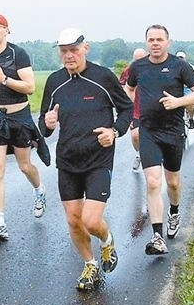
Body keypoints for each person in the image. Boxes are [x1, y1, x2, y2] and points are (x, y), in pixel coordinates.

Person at [38, 28, 133, 291]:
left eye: (73, 50)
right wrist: (47, 124)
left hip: (98, 158)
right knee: (73, 220)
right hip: (67, 159)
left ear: (85, 48)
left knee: (91, 221)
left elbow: (126, 109)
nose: (68, 55)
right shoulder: (54, 81)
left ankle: (106, 240)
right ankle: (90, 263)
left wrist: (114, 131)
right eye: (63, 51)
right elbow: (44, 124)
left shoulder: (103, 77)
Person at [124, 25, 194, 256]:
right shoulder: (137, 67)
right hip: (148, 130)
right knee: (152, 182)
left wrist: (178, 102)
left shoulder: (180, 66)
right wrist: (128, 111)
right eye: (151, 39)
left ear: (168, 42)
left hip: (173, 131)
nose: (155, 43)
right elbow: (129, 91)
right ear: (146, 42)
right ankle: (157, 236)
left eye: (160, 39)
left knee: (172, 183)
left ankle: (175, 211)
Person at [0, 14, 49, 242]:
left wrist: (4, 79)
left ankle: (40, 191)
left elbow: (30, 87)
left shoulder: (18, 53)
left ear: (7, 30)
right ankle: (0, 222)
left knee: (25, 166)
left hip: (19, 115)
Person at [119, 48, 148, 172]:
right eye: (136, 60)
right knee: (135, 136)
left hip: (152, 109)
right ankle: (139, 154)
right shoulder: (128, 71)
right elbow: (122, 89)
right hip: (135, 109)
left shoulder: (153, 69)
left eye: (141, 59)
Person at [175, 51, 194, 129]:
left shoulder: (190, 67)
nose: (180, 59)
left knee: (190, 103)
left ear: (185, 59)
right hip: (176, 89)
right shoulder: (172, 67)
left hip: (187, 88)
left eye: (182, 58)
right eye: (179, 58)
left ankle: (191, 119)